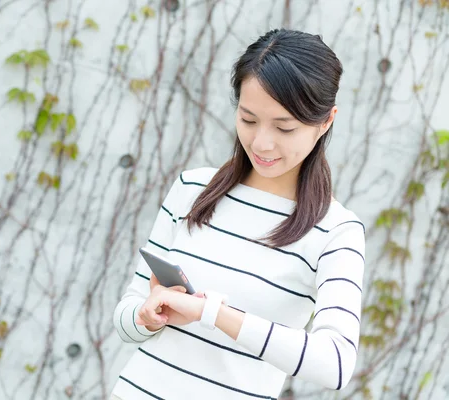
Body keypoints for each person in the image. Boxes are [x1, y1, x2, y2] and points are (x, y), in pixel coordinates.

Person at [111, 28, 365, 400]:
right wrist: (147, 316)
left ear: (325, 121)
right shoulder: (191, 189)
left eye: (285, 127)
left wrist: (211, 314)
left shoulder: (336, 231)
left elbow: (335, 364)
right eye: (248, 120)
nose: (262, 143)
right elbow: (127, 316)